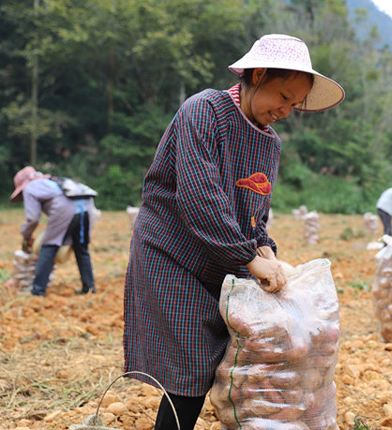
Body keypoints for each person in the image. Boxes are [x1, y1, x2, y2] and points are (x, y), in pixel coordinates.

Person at [123, 34, 344, 430]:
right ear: (257, 74)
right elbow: (200, 194)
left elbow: (256, 211)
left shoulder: (269, 143)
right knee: (190, 362)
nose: (286, 110)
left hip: (222, 255)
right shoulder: (205, 111)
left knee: (229, 357)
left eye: (294, 104)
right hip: (173, 252)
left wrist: (264, 248)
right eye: (283, 95)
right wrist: (247, 258)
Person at [10, 166, 97, 296]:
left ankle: (38, 291)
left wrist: (26, 236)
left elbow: (33, 218)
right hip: (87, 207)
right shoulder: (52, 181)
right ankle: (89, 288)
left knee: (48, 247)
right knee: (81, 249)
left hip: (65, 208)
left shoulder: (29, 188)